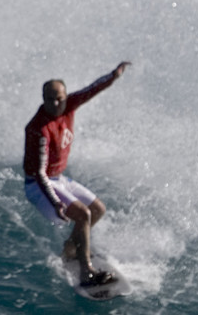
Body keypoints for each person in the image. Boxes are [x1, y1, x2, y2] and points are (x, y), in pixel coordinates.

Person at [23, 61, 131, 286]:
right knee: (83, 214)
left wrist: (114, 75)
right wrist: (55, 202)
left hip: (58, 179)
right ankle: (86, 272)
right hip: (38, 184)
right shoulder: (38, 129)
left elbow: (92, 89)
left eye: (59, 99)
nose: (55, 104)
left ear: (65, 96)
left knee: (98, 209)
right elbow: (40, 174)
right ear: (43, 99)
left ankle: (71, 249)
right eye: (49, 99)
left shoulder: (70, 104)